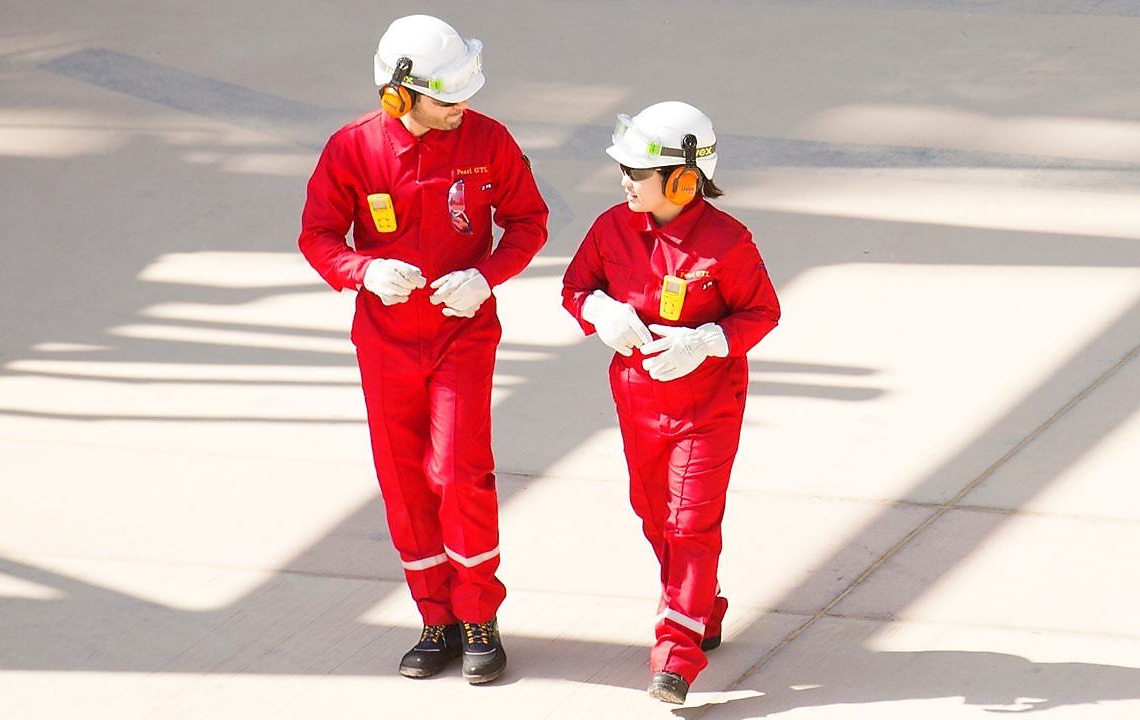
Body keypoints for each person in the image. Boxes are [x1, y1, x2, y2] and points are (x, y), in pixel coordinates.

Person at [298, 14, 548, 685]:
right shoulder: (351, 150)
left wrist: (485, 276)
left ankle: (479, 619)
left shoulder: (488, 140)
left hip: (462, 334)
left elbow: (529, 221)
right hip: (385, 343)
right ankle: (434, 620)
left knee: (460, 472)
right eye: (448, 99)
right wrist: (364, 271)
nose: (462, 108)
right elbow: (319, 236)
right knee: (405, 482)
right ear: (398, 96)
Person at [561, 101, 780, 704]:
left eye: (636, 172)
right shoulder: (611, 228)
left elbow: (763, 311)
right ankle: (701, 608)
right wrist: (598, 312)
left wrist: (710, 341)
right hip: (637, 401)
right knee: (654, 514)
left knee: (689, 523)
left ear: (683, 180)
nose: (624, 181)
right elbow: (576, 287)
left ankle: (675, 655)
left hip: (707, 407)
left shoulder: (728, 243)